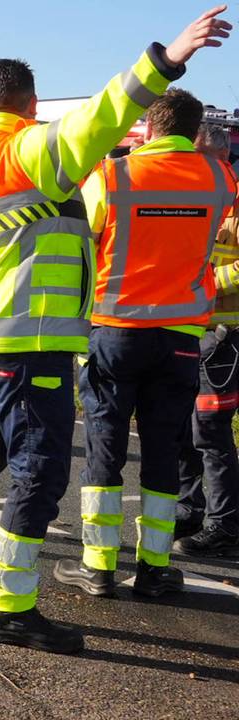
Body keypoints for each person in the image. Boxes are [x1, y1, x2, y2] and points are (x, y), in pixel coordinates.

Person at [0, 7, 231, 654]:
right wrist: (167, 58)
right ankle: (11, 607)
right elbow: (103, 115)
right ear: (30, 105)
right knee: (39, 471)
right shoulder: (27, 151)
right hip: (30, 342)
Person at [49, 89, 237, 600]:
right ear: (194, 132)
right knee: (164, 452)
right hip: (181, 337)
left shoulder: (112, 176)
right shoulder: (221, 178)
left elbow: (81, 241)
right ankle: (155, 567)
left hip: (115, 331)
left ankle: (98, 565)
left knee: (105, 448)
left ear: (149, 128)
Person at [175, 122, 239, 558]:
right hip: (189, 332)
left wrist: (202, 282)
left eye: (196, 157)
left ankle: (224, 525)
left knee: (211, 432)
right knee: (184, 427)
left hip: (223, 339)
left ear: (220, 158)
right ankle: (190, 509)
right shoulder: (194, 199)